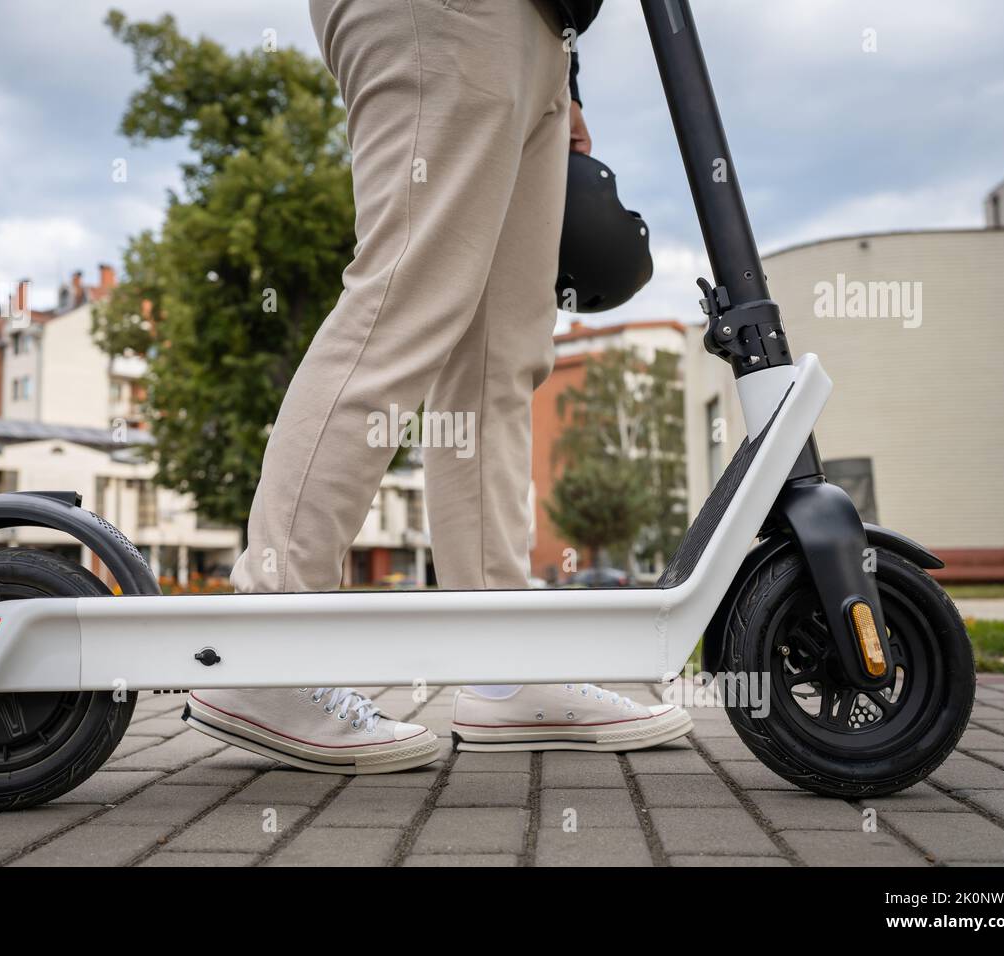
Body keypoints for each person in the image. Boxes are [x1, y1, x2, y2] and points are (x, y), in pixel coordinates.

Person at [184, 0, 692, 773]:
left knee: (503, 354)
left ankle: (504, 668)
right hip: (450, 15)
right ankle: (266, 647)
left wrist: (567, 78)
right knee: (405, 299)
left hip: (544, 34)